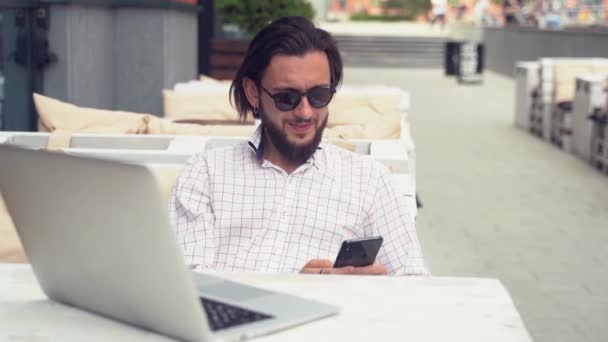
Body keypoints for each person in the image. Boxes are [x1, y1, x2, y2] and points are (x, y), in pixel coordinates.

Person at [169, 16, 428, 276]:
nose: (304, 112)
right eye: (286, 98)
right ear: (253, 92)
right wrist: (296, 286)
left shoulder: (369, 180)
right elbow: (185, 283)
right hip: (231, 314)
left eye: (318, 96)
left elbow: (414, 282)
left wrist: (376, 289)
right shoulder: (206, 174)